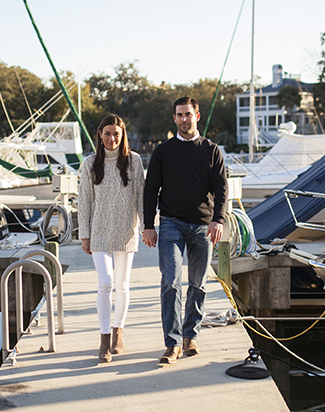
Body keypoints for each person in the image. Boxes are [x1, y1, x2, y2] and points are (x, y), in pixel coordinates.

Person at [142, 97, 227, 364]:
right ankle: (173, 343)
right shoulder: (162, 151)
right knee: (170, 282)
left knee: (198, 284)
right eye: (178, 115)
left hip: (203, 226)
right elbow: (150, 190)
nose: (183, 119)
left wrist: (218, 219)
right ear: (174, 118)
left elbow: (222, 189)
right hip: (170, 224)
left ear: (197, 116)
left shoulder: (212, 150)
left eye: (187, 114)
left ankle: (191, 335)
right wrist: (147, 225)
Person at [78, 114, 145, 363]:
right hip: (99, 231)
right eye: (107, 133)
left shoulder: (134, 162)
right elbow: (84, 201)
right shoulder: (90, 163)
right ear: (99, 134)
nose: (112, 138)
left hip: (127, 230)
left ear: (123, 135)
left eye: (116, 133)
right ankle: (104, 338)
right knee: (105, 282)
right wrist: (84, 233)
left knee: (123, 284)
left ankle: (119, 332)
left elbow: (141, 197)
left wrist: (147, 227)